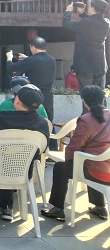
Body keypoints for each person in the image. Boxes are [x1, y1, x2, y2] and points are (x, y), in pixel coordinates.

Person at [0, 84, 50, 222]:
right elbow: (41, 149)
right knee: (11, 160)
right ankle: (7, 207)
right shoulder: (42, 124)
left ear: (17, 100)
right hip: (24, 171)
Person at [41, 85, 110, 222]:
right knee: (92, 160)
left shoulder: (86, 120)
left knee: (61, 168)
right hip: (107, 169)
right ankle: (100, 207)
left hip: (94, 171)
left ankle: (57, 209)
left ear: (84, 102)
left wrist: (69, 161)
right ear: (103, 100)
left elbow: (73, 147)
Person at [63, 0, 110, 90]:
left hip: (85, 66)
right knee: (99, 95)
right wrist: (82, 13)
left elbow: (66, 24)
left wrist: (68, 12)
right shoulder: (106, 23)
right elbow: (92, 23)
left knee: (87, 95)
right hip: (100, 66)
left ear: (92, 8)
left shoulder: (86, 23)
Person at [5, 36, 56, 121]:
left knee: (33, 120)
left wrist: (9, 58)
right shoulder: (52, 59)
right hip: (48, 96)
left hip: (34, 95)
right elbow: (39, 63)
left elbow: (10, 68)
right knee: (48, 120)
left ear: (33, 47)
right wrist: (27, 58)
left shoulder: (31, 61)